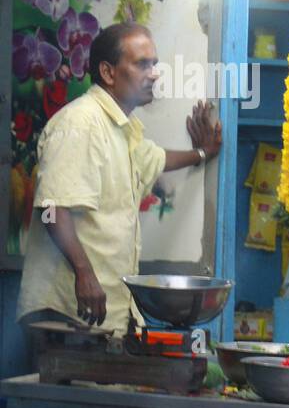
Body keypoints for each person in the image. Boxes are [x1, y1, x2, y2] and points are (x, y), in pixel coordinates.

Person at [17, 22, 222, 343]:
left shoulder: (122, 128)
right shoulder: (80, 124)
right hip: (66, 313)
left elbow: (156, 160)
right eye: (142, 64)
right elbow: (51, 211)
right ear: (108, 73)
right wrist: (84, 273)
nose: (154, 73)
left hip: (100, 315)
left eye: (155, 64)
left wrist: (202, 152)